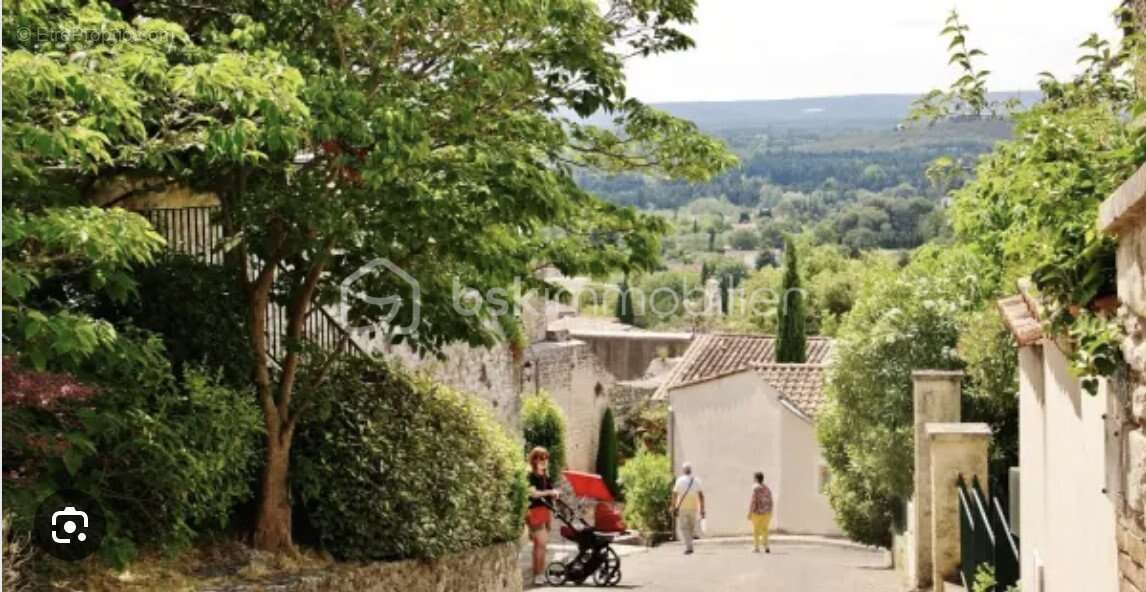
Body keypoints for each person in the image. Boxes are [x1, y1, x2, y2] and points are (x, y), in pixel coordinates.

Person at [526, 447, 560, 585]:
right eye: (539, 457)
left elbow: (551, 491)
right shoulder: (531, 475)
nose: (543, 460)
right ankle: (538, 574)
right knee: (541, 543)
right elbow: (533, 493)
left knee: (540, 545)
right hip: (534, 511)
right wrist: (549, 492)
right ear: (534, 459)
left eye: (545, 457)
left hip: (545, 512)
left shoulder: (546, 475)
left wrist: (555, 494)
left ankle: (538, 573)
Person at [671, 462, 705, 555]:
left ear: (683, 470)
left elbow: (674, 494)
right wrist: (702, 508)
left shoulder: (679, 480)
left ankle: (689, 546)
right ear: (690, 470)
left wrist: (673, 506)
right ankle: (689, 545)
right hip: (693, 507)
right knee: (690, 527)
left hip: (682, 507)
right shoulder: (696, 481)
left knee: (684, 528)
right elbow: (701, 496)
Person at [747, 471, 774, 553]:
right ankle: (766, 546)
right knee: (765, 530)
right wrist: (770, 510)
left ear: (756, 479)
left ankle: (756, 547)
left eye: (754, 478)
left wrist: (750, 512)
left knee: (756, 530)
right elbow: (771, 501)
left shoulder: (756, 489)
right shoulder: (767, 489)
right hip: (767, 513)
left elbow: (753, 501)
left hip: (757, 513)